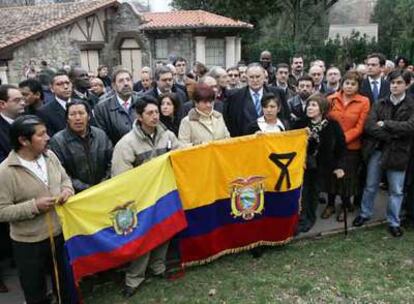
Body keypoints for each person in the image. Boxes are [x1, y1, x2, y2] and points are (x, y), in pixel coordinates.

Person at [111, 96, 180, 297]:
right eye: (149, 113)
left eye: (157, 112)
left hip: (164, 194)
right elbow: (121, 177)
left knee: (164, 231)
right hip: (140, 199)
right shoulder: (127, 144)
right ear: (138, 116)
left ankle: (158, 267)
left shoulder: (167, 135)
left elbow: (179, 157)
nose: (155, 116)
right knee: (142, 237)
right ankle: (134, 278)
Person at [0, 115, 74, 303]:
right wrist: (34, 206)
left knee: (65, 283)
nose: (48, 137)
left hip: (58, 235)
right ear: (24, 141)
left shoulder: (51, 156)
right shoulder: (5, 172)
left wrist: (67, 190)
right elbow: (2, 211)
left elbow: (65, 179)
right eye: (41, 135)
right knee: (35, 291)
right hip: (28, 243)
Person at [353, 70, 414, 237]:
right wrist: (392, 135)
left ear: (407, 84)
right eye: (392, 82)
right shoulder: (380, 103)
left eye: (399, 82)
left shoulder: (411, 105)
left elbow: (410, 128)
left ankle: (394, 222)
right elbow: (370, 126)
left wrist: (386, 123)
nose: (394, 85)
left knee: (396, 190)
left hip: (399, 153)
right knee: (371, 185)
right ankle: (365, 214)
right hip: (378, 150)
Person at [323, 70, 370, 221]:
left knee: (347, 178)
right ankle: (330, 205)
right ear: (342, 84)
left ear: (358, 86)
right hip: (332, 146)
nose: (349, 86)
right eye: (347, 83)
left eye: (353, 84)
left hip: (351, 147)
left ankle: (344, 206)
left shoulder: (364, 101)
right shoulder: (331, 99)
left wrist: (342, 140)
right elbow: (326, 121)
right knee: (331, 177)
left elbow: (360, 126)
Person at [297, 94, 346, 233]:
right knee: (304, 192)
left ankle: (309, 219)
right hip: (302, 165)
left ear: (322, 108)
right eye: (308, 105)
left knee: (313, 193)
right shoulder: (300, 124)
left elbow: (341, 147)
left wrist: (339, 166)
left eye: (313, 105)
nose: (309, 108)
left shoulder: (332, 125)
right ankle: (302, 218)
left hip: (322, 166)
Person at [49, 100, 113, 193]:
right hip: (77, 194)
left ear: (89, 116)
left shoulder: (100, 135)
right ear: (67, 118)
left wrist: (103, 183)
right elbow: (60, 173)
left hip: (104, 189)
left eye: (81, 113)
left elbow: (111, 161)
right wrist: (87, 189)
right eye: (73, 114)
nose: (77, 118)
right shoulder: (58, 141)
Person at [225, 63, 288, 137]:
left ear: (264, 76)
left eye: (258, 77)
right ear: (246, 77)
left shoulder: (278, 93)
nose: (255, 80)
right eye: (251, 77)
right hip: (245, 142)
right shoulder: (235, 97)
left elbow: (285, 117)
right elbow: (231, 122)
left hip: (272, 141)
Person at [94, 69, 141, 145]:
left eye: (128, 80)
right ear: (113, 86)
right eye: (121, 81)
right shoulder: (102, 108)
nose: (126, 83)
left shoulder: (143, 102)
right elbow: (103, 139)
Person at [37, 71, 73, 136]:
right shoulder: (44, 112)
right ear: (52, 89)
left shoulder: (83, 104)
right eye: (59, 84)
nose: (65, 87)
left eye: (67, 83)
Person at [0, 85, 26, 163]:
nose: (23, 103)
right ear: (2, 104)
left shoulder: (29, 120)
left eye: (23, 99)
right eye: (17, 100)